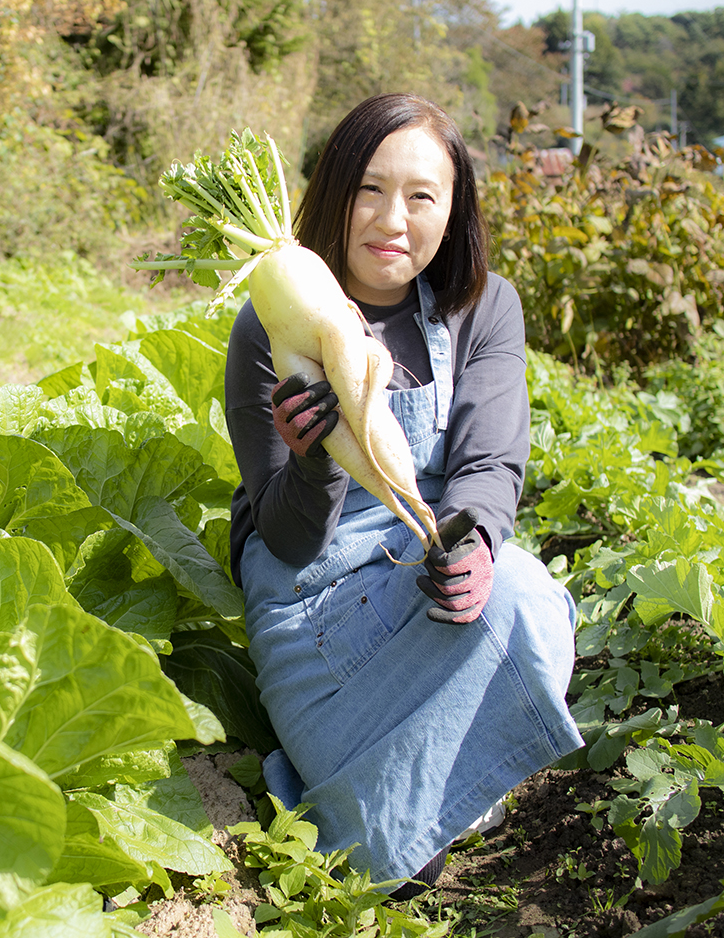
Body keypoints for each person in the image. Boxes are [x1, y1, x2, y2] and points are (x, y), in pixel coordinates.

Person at [224, 92, 582, 895]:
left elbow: (489, 463)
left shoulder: (483, 309)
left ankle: (422, 803)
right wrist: (313, 460)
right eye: (370, 189)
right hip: (312, 620)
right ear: (335, 192)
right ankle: (399, 812)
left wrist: (474, 543)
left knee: (524, 595)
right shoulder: (269, 325)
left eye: (423, 196)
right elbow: (281, 540)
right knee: (518, 613)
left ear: (453, 213)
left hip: (418, 564)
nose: (393, 218)